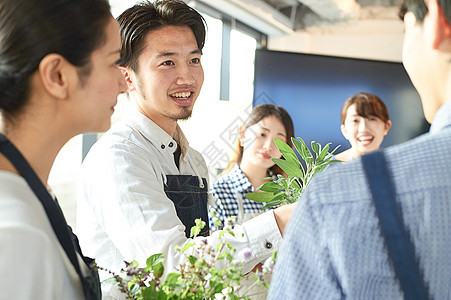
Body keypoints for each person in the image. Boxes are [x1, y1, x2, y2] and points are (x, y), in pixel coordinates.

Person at [76, 1, 295, 298]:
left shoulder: (194, 161)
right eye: (167, 62)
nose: (187, 77)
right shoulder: (120, 157)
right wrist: (279, 221)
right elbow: (170, 265)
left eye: (194, 60)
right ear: (128, 77)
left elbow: (200, 261)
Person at [268, 0, 451, 299]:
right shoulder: (330, 182)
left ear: (434, 18)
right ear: (344, 128)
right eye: (355, 120)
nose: (363, 129)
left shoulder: (335, 198)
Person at [0, 0, 127, 298]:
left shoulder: (29, 192)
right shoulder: (14, 234)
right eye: (113, 62)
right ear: (58, 76)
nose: (123, 82)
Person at [210, 104, 295, 231]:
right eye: (262, 134)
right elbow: (208, 248)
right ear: (243, 134)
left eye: (279, 141)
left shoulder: (288, 194)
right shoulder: (218, 192)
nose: (268, 146)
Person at [334, 92, 392, 162]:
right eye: (355, 121)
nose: (363, 129)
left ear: (386, 127)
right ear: (344, 131)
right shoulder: (328, 168)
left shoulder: (397, 164)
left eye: (372, 119)